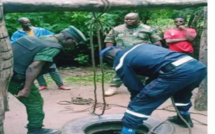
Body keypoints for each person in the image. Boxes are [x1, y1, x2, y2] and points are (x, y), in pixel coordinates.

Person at [100, 44, 206, 134]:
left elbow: (133, 86)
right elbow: (158, 66)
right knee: (182, 94)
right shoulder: (139, 46)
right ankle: (183, 118)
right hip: (197, 67)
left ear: (109, 58)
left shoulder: (120, 60)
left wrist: (138, 99)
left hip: (177, 71)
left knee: (141, 102)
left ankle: (127, 131)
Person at [9, 25, 86, 134]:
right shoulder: (53, 47)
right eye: (75, 43)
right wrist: (26, 88)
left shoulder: (37, 38)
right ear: (69, 39)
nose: (74, 46)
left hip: (4, 71)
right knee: (35, 102)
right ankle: (35, 130)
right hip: (15, 78)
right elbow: (34, 66)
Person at [104, 13, 162, 96]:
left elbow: (157, 42)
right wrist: (110, 52)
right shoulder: (117, 29)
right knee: (119, 70)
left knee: (141, 71)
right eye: (126, 19)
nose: (128, 21)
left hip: (141, 55)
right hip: (122, 54)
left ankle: (140, 87)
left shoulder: (148, 29)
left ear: (138, 20)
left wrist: (157, 53)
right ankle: (113, 86)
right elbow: (109, 41)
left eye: (131, 19)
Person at [10, 17, 70, 90]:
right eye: (25, 23)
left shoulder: (40, 30)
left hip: (45, 51)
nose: (28, 24)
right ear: (21, 24)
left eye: (29, 22)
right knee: (36, 68)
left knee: (52, 68)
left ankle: (60, 84)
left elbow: (54, 36)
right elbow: (14, 43)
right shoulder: (17, 34)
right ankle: (43, 85)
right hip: (30, 54)